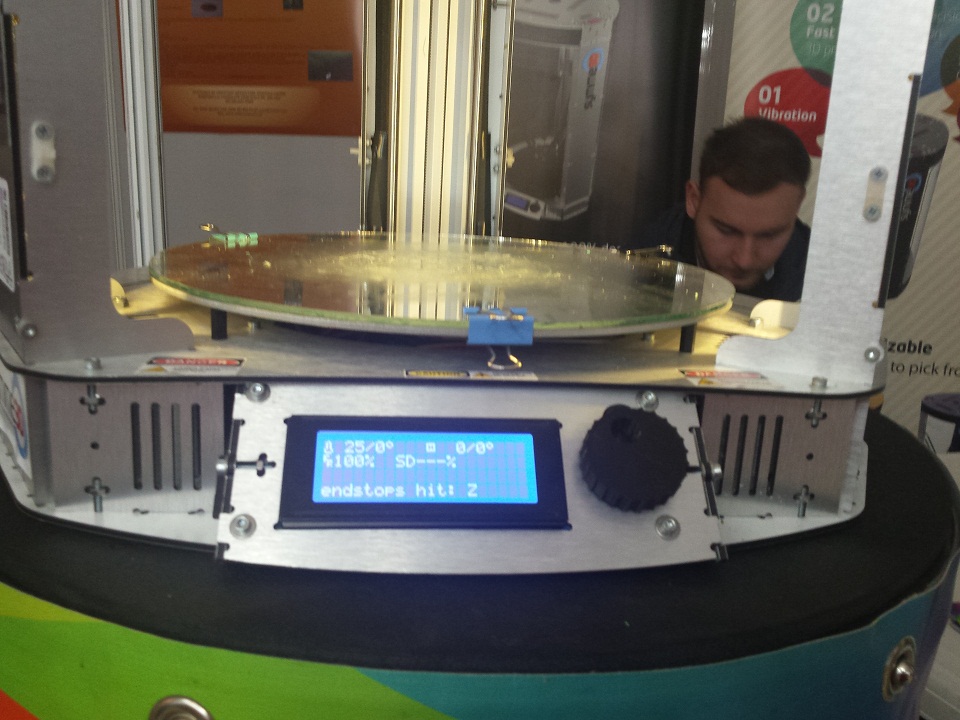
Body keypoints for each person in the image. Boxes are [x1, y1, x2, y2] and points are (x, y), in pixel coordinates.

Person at [626, 116, 811, 302]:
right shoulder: (637, 268)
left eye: (769, 236)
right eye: (726, 231)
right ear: (693, 200)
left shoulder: (820, 274)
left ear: (798, 205)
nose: (744, 261)